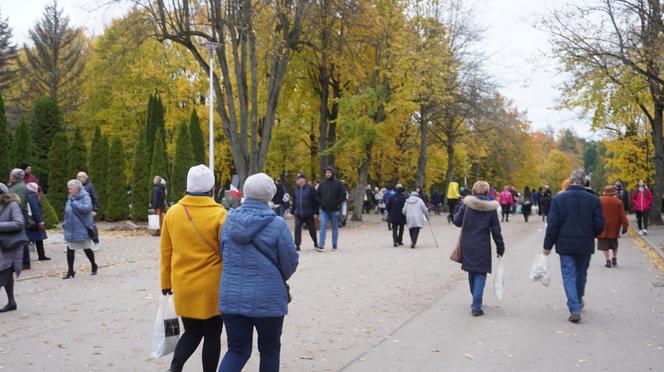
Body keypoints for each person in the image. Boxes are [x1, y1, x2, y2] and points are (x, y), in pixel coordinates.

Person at [219, 173, 299, 372]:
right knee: (270, 350)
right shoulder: (278, 225)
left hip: (232, 297)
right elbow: (290, 263)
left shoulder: (229, 221)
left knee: (236, 350)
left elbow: (224, 253)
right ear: (270, 194)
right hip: (268, 298)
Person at [160, 165, 227, 372]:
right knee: (212, 335)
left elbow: (166, 252)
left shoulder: (173, 213)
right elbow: (227, 250)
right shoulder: (219, 213)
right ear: (211, 189)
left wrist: (165, 283)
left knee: (191, 332)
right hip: (212, 287)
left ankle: (175, 367)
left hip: (183, 284)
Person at [543, 170, 605, 323]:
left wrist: (547, 246)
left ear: (570, 181)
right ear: (584, 182)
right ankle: (577, 299)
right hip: (585, 243)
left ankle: (574, 307)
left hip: (565, 245)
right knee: (581, 274)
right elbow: (600, 224)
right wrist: (591, 234)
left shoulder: (558, 199)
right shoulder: (593, 200)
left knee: (568, 275)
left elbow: (553, 225)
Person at [453, 180, 505, 317]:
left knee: (471, 271)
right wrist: (500, 246)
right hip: (482, 244)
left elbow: (457, 222)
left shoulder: (466, 205)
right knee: (480, 273)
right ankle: (476, 305)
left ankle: (476, 300)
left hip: (467, 243)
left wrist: (458, 208)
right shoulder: (491, 208)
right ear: (488, 192)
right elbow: (496, 231)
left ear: (473, 191)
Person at [62, 180, 99, 279]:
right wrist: (65, 222)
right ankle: (70, 271)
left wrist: (74, 203)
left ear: (77, 189)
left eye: (70, 188)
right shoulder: (70, 198)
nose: (69, 190)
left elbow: (87, 209)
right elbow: (67, 211)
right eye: (69, 188)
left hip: (82, 228)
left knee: (86, 248)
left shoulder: (85, 197)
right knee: (70, 249)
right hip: (71, 228)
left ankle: (94, 265)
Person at [0, 183, 24, 313]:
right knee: (6, 275)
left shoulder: (12, 205)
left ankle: (11, 302)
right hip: (2, 246)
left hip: (9, 245)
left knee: (4, 272)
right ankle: (11, 302)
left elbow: (19, 223)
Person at [315, 166, 346, 251]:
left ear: (332, 173)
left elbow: (343, 194)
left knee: (334, 228)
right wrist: (321, 203)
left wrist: (337, 203)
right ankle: (321, 245)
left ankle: (334, 245)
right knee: (323, 226)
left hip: (334, 209)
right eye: (326, 172)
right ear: (325, 174)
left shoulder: (338, 183)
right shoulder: (322, 184)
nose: (328, 174)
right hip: (324, 209)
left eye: (329, 172)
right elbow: (317, 195)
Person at [598, 185, 629, 268]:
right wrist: (625, 226)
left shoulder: (600, 200)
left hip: (603, 224)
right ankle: (614, 258)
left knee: (604, 242)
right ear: (613, 192)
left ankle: (607, 260)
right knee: (614, 241)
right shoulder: (618, 201)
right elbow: (622, 215)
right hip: (615, 225)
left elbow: (596, 213)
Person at [8, 169, 29, 270]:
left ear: (15, 176)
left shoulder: (20, 187)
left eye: (11, 175)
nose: (9, 176)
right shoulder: (15, 185)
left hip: (19, 215)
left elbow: (19, 203)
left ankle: (25, 263)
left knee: (21, 239)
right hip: (16, 214)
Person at [291, 173, 319, 251]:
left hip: (309, 213)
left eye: (299, 179)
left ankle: (315, 242)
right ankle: (297, 245)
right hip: (298, 213)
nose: (298, 180)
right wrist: (292, 210)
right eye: (297, 179)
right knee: (297, 228)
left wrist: (316, 212)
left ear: (304, 179)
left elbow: (315, 201)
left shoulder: (310, 188)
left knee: (312, 229)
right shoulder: (296, 188)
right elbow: (294, 200)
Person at [25, 183, 50, 261]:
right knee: (33, 238)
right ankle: (40, 256)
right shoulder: (33, 196)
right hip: (34, 220)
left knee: (37, 238)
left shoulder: (28, 195)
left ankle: (41, 255)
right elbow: (35, 210)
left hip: (31, 219)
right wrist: (40, 221)